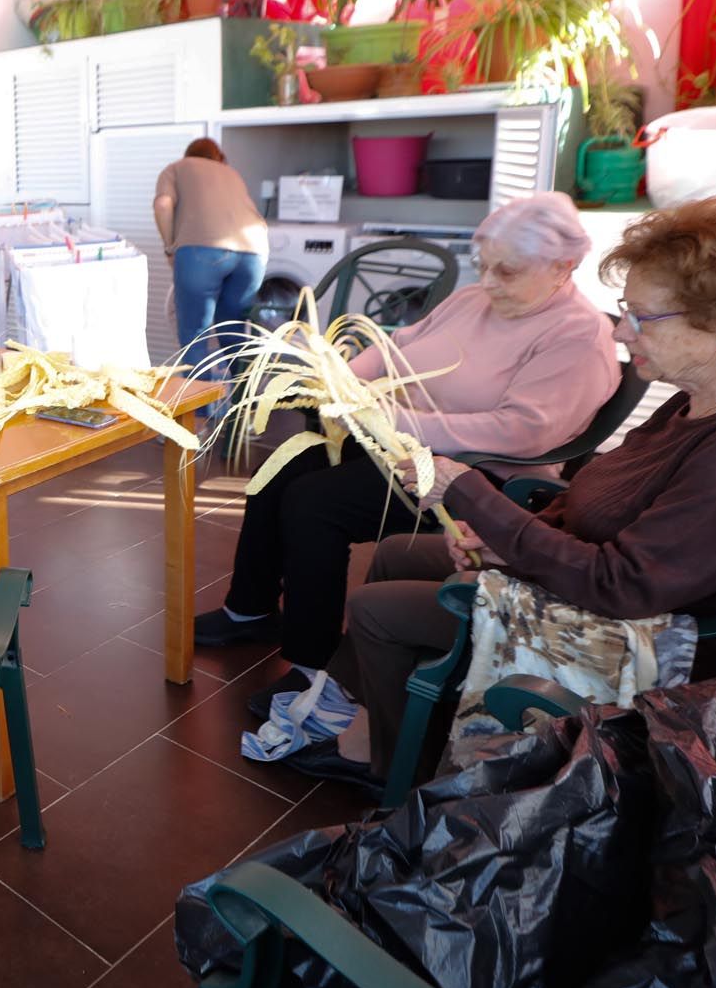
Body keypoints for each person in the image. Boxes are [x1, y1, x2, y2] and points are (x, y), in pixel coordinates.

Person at [310, 198, 716, 785]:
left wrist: (472, 493)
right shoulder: (702, 396)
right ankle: (389, 721)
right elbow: (609, 502)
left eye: (644, 318)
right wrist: (515, 539)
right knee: (398, 553)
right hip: (607, 577)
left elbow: (625, 586)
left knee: (376, 610)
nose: (623, 332)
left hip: (651, 640)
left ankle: (398, 769)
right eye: (624, 311)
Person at [196, 192, 621, 706]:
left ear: (564, 266)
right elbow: (396, 346)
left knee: (315, 503)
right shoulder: (472, 301)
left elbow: (526, 432)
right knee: (278, 470)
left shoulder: (577, 334)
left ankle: (314, 665)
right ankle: (252, 609)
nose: (487, 284)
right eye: (482, 266)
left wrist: (401, 421)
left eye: (506, 272)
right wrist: (340, 379)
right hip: (396, 439)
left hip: (474, 475)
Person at [153, 138, 268, 398]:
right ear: (219, 157)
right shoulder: (231, 173)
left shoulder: (177, 168)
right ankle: (244, 412)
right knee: (234, 330)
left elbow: (162, 204)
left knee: (196, 333)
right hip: (255, 251)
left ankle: (200, 417)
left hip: (202, 251)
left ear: (188, 154)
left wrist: (170, 246)